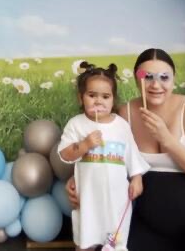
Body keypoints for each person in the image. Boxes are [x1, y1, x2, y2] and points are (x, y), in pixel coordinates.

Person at [66, 49, 185, 251]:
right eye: (148, 77)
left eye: (164, 77)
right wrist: (78, 177)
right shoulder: (125, 114)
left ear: (173, 78)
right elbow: (106, 157)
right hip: (148, 226)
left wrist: (168, 141)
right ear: (136, 80)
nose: (156, 85)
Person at [58, 62, 150, 251]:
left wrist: (137, 178)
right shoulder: (76, 124)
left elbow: (132, 154)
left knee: (115, 242)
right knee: (86, 241)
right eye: (92, 95)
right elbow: (65, 154)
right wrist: (84, 145)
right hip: (88, 200)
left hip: (116, 200)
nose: (98, 101)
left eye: (105, 97)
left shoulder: (121, 126)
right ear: (81, 98)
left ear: (113, 99)